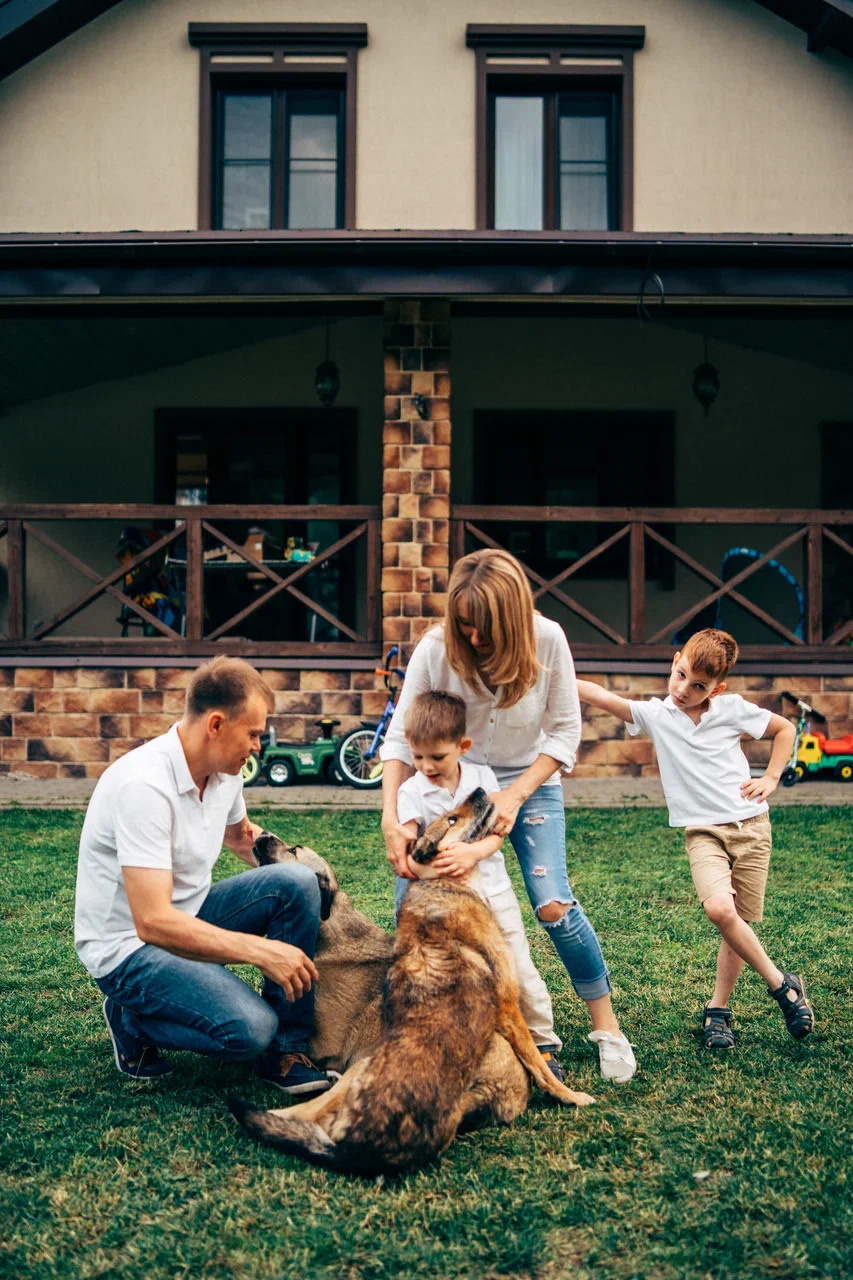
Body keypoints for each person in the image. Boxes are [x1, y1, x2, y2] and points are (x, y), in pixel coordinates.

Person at [381, 548, 636, 1084]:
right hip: (457, 786)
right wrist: (391, 817)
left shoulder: (549, 640)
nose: (475, 642)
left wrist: (515, 796)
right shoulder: (435, 647)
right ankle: (423, 1029)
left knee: (552, 905)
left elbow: (566, 732)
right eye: (467, 628)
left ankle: (606, 1027)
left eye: (487, 631)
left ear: (515, 620)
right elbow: (403, 738)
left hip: (529, 781)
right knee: (418, 900)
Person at [74, 656, 331, 1095]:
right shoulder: (143, 787)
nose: (257, 746)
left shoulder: (224, 772)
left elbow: (241, 838)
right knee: (251, 1029)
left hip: (190, 912)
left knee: (297, 882)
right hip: (129, 947)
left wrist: (313, 869)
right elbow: (152, 922)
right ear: (215, 724)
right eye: (252, 733)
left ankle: (286, 1053)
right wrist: (261, 952)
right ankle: (131, 1018)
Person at [576, 628, 815, 1050]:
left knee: (734, 925)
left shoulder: (732, 709)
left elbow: (784, 731)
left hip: (752, 827)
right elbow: (601, 696)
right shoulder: (656, 715)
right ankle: (783, 985)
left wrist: (771, 777)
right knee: (720, 908)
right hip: (704, 831)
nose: (684, 689)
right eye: (681, 675)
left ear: (717, 688)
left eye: (699, 685)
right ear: (674, 662)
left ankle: (718, 1011)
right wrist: (549, 671)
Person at [395, 689, 565, 1080]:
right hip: (449, 906)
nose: (427, 766)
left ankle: (542, 1042)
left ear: (462, 746)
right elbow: (407, 855)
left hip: (494, 893)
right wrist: (432, 871)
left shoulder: (480, 778)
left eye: (437, 757)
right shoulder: (411, 791)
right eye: (418, 757)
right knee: (461, 972)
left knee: (518, 966)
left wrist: (472, 854)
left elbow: (495, 836)